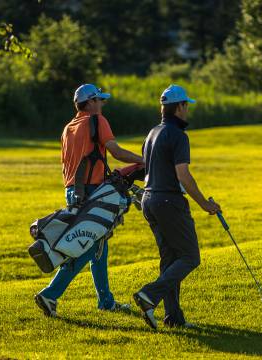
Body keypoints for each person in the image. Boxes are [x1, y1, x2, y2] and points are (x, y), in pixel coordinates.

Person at [35, 84, 143, 317]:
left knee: (98, 246)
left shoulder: (68, 128)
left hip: (73, 191)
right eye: (100, 101)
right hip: (93, 192)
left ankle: (105, 301)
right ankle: (50, 294)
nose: (102, 105)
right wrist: (144, 160)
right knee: (85, 246)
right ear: (91, 102)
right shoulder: (97, 121)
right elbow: (116, 152)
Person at [133, 84, 221, 329]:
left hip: (148, 200)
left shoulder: (152, 132)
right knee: (190, 257)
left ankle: (173, 318)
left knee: (170, 259)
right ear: (179, 107)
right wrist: (205, 204)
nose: (188, 111)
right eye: (186, 106)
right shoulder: (178, 135)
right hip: (168, 200)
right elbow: (183, 175)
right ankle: (149, 294)